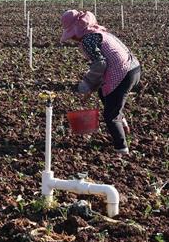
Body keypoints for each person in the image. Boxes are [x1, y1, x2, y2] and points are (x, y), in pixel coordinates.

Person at [60, 10, 141, 155]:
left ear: (77, 30)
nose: (72, 38)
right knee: (105, 96)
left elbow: (100, 65)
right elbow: (102, 67)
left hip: (122, 73)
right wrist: (93, 86)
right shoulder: (99, 33)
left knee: (110, 114)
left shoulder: (87, 40)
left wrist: (86, 85)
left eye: (72, 34)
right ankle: (121, 121)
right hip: (133, 68)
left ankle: (121, 149)